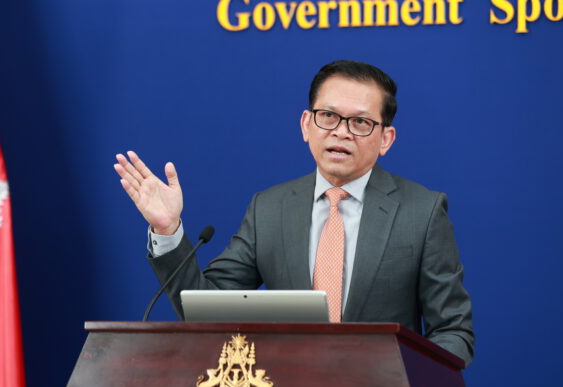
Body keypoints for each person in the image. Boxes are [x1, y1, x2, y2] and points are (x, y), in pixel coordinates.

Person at [113, 60, 474, 366]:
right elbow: (206, 310)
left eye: (360, 123)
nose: (341, 132)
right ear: (306, 125)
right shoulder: (269, 209)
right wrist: (168, 230)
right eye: (328, 116)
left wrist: (411, 384)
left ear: (386, 139)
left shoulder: (422, 211)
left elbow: (453, 331)